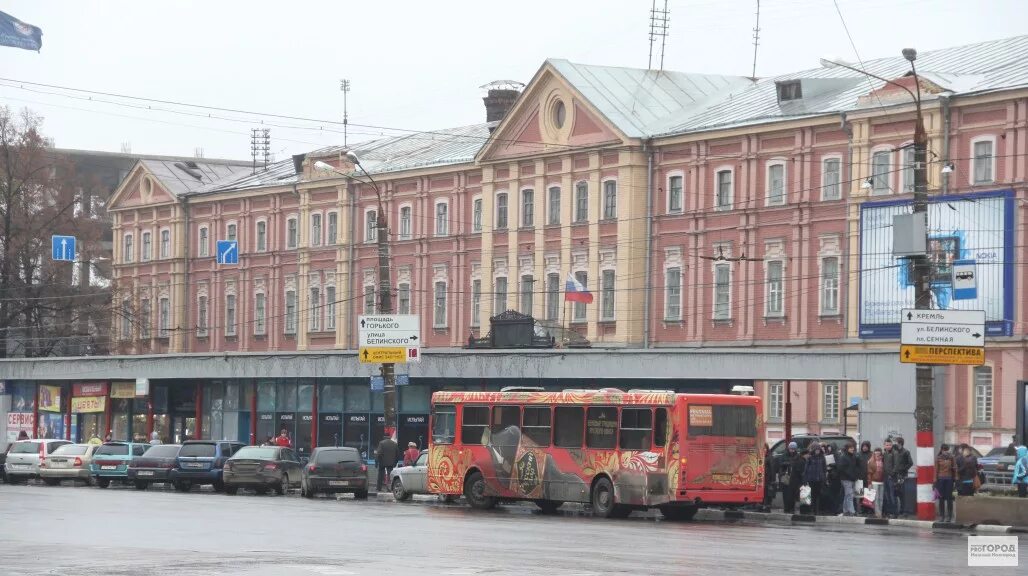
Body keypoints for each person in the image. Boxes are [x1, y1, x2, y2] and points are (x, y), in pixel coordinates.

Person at [890, 437, 913, 518]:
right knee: (895, 493)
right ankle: (897, 511)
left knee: (902, 493)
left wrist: (903, 469)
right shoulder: (894, 451)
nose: (894, 443)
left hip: (902, 475)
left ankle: (904, 511)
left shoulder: (906, 452)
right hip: (895, 475)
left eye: (895, 442)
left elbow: (910, 463)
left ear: (900, 443)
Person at [803, 441, 827, 515]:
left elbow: (824, 469)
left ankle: (816, 510)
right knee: (812, 495)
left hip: (819, 479)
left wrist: (824, 478)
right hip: (811, 479)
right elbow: (806, 469)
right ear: (814, 450)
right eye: (816, 450)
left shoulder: (822, 458)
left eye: (818, 450)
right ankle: (812, 509)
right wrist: (805, 479)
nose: (817, 451)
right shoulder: (810, 458)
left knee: (818, 495)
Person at [934, 444, 957, 522]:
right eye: (944, 450)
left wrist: (955, 478)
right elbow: (936, 470)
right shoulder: (938, 458)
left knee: (949, 498)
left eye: (947, 450)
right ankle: (942, 516)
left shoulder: (952, 457)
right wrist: (935, 480)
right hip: (940, 480)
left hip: (949, 479)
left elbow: (955, 468)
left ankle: (949, 516)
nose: (945, 452)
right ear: (941, 450)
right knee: (941, 498)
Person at [781, 442, 804, 513]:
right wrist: (788, 463)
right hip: (786, 478)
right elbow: (780, 463)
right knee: (786, 495)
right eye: (791, 449)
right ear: (788, 448)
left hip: (794, 479)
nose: (792, 450)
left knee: (793, 495)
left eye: (794, 449)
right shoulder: (784, 455)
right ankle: (786, 509)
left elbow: (800, 465)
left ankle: (791, 509)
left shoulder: (798, 456)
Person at [836, 442, 858, 516]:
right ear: (847, 449)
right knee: (849, 495)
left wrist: (855, 475)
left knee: (847, 495)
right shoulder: (843, 457)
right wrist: (850, 475)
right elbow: (841, 469)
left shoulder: (853, 456)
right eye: (851, 448)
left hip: (852, 478)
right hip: (846, 479)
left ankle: (846, 511)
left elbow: (855, 467)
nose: (853, 449)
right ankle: (852, 511)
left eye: (853, 447)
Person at [866, 447, 886, 517]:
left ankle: (880, 512)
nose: (877, 453)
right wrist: (869, 483)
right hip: (874, 482)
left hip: (882, 482)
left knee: (881, 498)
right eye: (876, 451)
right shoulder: (871, 461)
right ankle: (877, 513)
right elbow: (869, 473)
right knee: (876, 498)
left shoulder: (883, 461)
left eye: (879, 452)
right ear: (874, 453)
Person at [855, 440, 872, 514]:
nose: (864, 448)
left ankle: (868, 509)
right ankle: (861, 509)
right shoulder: (858, 454)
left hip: (868, 477)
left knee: (868, 494)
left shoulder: (871, 454)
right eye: (863, 446)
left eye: (866, 446)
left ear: (868, 447)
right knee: (860, 495)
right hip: (860, 478)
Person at [762, 443, 775, 509]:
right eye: (763, 448)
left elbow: (772, 468)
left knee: (767, 492)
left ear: (767, 449)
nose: (764, 450)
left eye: (765, 448)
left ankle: (767, 504)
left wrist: (773, 479)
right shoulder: (760, 456)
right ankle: (762, 504)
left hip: (767, 477)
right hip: (761, 477)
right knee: (762, 491)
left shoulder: (769, 457)